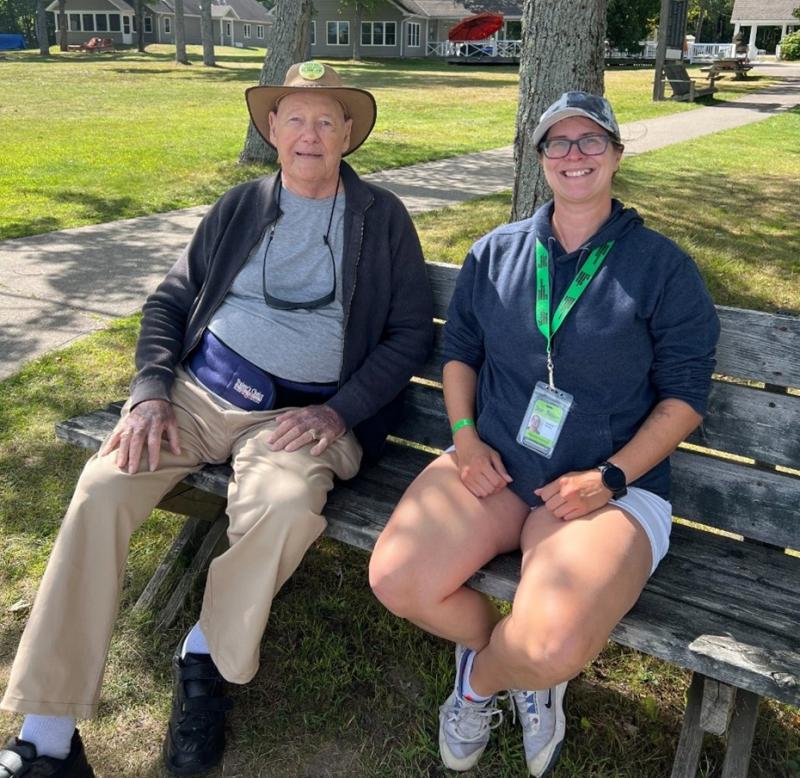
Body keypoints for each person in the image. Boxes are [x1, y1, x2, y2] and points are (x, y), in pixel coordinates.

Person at [0, 61, 434, 778]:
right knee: (102, 486)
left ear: (349, 134)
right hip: (199, 395)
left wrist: (341, 409)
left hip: (302, 418)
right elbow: (171, 301)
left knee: (287, 505)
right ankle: (48, 733)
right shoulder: (239, 206)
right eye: (294, 117)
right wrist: (148, 391)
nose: (309, 133)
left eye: (327, 119)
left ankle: (203, 656)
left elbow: (411, 333)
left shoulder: (379, 218)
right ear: (271, 129)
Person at [369, 91, 720, 776]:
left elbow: (684, 399)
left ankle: (487, 679)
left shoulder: (661, 267)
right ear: (540, 161)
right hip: (497, 464)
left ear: (617, 154)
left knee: (553, 645)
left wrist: (609, 477)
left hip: (611, 488)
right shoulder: (496, 252)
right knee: (397, 581)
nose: (574, 154)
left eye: (591, 140)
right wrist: (466, 440)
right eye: (557, 142)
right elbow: (461, 354)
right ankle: (508, 656)